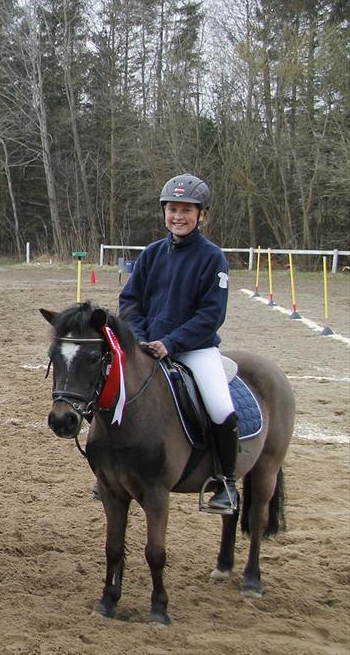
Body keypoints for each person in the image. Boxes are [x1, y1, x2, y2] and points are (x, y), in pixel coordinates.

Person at [118, 173, 237, 513]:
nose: (178, 216)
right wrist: (140, 339)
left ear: (202, 215)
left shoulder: (212, 258)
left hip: (194, 349)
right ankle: (109, 471)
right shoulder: (152, 254)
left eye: (187, 210)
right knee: (110, 391)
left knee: (219, 406)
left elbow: (211, 315)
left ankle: (226, 483)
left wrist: (170, 342)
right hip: (146, 347)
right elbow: (130, 302)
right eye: (173, 209)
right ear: (164, 212)